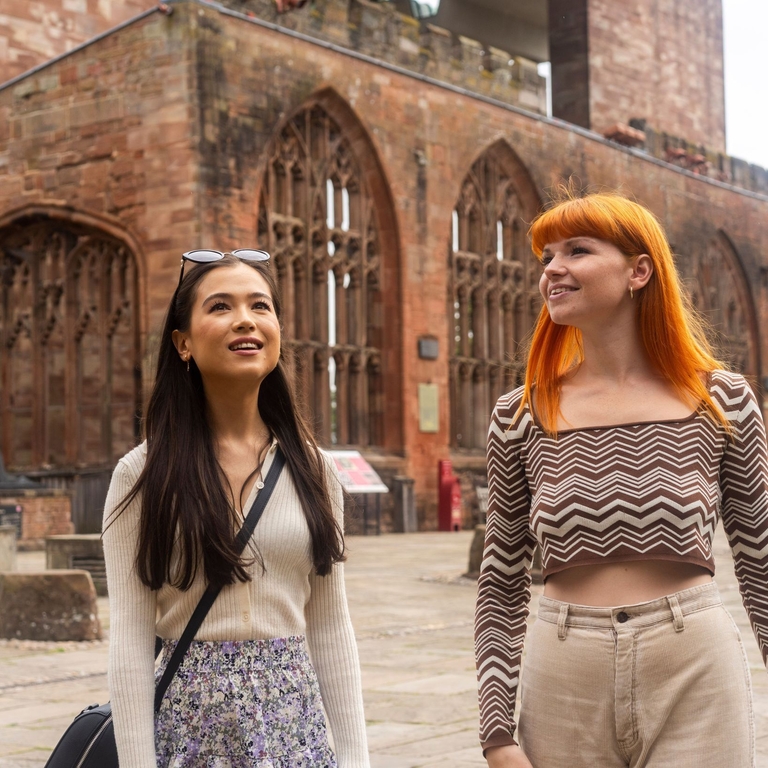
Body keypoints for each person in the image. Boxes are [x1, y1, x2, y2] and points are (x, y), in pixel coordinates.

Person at [474, 192, 768, 768]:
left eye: (577, 251)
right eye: (546, 258)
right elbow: (502, 578)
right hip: (562, 678)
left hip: (694, 669)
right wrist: (496, 732)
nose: (553, 269)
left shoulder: (722, 400)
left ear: (639, 270)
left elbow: (761, 556)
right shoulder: (521, 413)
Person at [102, 249, 370, 767]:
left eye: (260, 306)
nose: (245, 319)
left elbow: (332, 625)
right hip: (189, 729)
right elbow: (131, 640)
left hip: (294, 727)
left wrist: (355, 759)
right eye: (220, 306)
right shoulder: (141, 475)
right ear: (183, 343)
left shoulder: (315, 471)